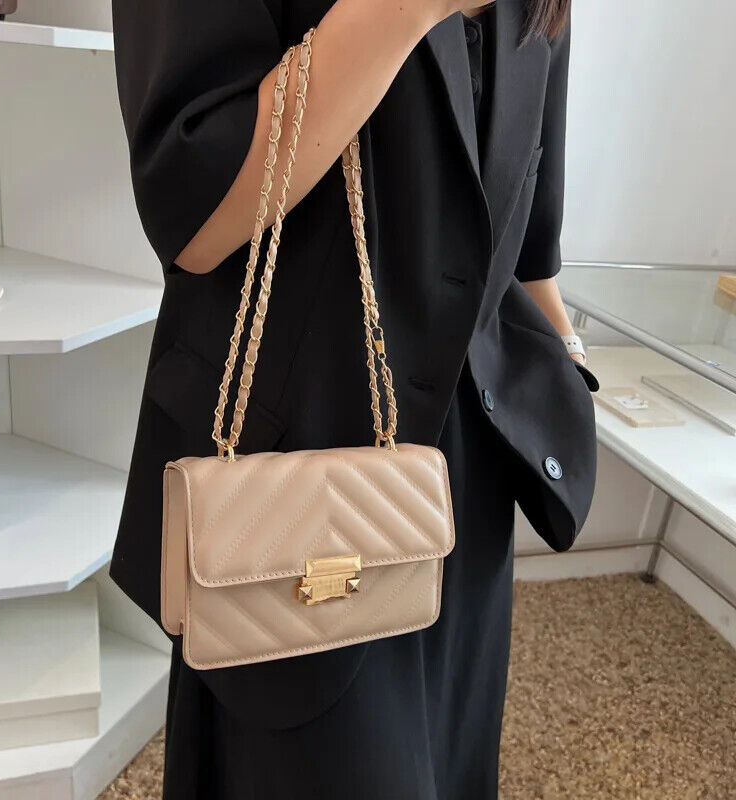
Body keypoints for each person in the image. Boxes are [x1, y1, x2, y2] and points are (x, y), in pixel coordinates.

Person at [110, 1, 597, 797]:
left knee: (449, 764)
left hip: (461, 490)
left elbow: (529, 239)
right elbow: (191, 209)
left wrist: (568, 373)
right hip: (292, 484)